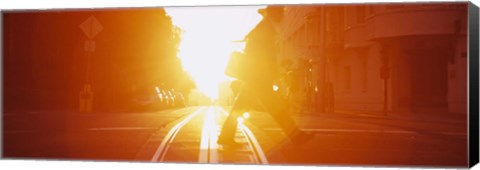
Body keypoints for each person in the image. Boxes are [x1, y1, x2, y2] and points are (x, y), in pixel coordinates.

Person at [218, 6, 314, 148]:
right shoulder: (265, 29)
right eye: (281, 13)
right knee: (275, 107)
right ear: (275, 14)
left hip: (255, 76)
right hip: (259, 77)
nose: (282, 16)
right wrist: (270, 74)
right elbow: (263, 56)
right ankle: (296, 136)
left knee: (244, 107)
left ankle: (225, 136)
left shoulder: (264, 28)